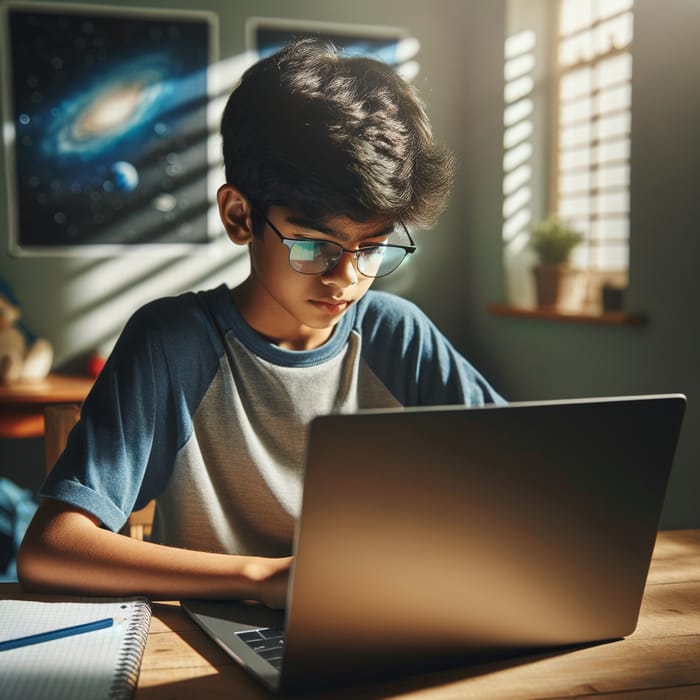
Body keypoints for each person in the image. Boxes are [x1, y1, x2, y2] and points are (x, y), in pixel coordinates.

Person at [18, 39, 503, 608]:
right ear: (239, 215)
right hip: (208, 640)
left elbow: (527, 476)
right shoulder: (174, 345)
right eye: (315, 246)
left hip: (380, 618)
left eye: (371, 248)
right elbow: (50, 549)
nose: (346, 278)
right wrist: (266, 580)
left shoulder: (400, 334)